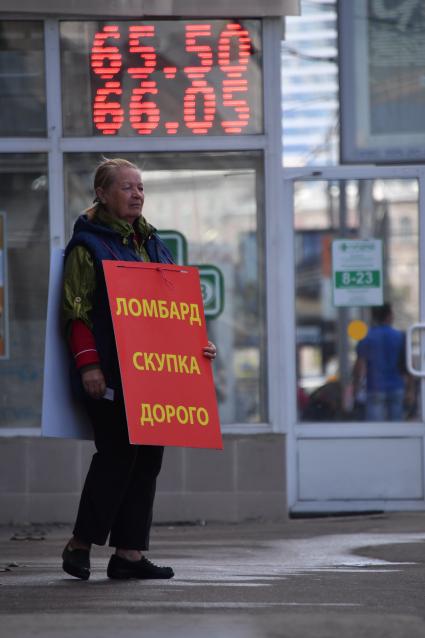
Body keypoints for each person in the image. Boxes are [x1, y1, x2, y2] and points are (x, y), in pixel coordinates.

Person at [61, 158, 217, 581]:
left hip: (154, 377)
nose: (137, 194)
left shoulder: (152, 243)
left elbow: (173, 310)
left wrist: (197, 346)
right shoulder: (87, 247)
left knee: (147, 460)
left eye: (141, 188)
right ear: (102, 193)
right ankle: (79, 545)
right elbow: (76, 314)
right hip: (110, 374)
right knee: (117, 455)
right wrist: (89, 366)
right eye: (127, 187)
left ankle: (128, 555)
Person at [352, 303, 412, 421]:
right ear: (389, 316)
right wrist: (410, 389)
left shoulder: (366, 337)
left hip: (374, 387)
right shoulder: (400, 336)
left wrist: (356, 388)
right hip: (396, 386)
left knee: (376, 429)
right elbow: (408, 365)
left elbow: (360, 366)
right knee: (396, 427)